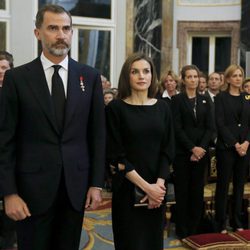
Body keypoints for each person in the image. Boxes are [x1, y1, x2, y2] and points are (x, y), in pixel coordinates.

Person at [0, 4, 105, 250]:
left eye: (66, 28)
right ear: (38, 33)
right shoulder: (17, 79)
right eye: (53, 28)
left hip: (75, 189)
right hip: (29, 192)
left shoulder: (88, 76)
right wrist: (8, 193)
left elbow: (97, 135)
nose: (61, 35)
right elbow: (5, 140)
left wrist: (96, 184)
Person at [106, 52, 175, 250]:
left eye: (146, 71)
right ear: (127, 76)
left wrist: (158, 187)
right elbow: (115, 156)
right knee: (130, 242)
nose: (141, 76)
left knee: (153, 242)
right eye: (135, 72)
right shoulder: (115, 108)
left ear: (152, 76)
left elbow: (168, 150)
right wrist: (147, 188)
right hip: (128, 190)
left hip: (157, 190)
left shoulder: (163, 108)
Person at [171, 65, 214, 238]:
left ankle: (195, 229)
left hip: (201, 155)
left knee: (197, 192)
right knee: (183, 192)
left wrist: (201, 148)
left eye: (195, 76)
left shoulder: (205, 100)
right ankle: (182, 230)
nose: (193, 80)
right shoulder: (177, 100)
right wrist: (192, 148)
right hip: (183, 154)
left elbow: (210, 127)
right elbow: (177, 127)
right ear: (183, 79)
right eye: (189, 77)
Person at [214, 65, 250, 233]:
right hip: (227, 149)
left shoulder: (248, 97)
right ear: (227, 79)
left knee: (239, 186)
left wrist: (246, 143)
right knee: (223, 186)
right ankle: (221, 223)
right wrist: (235, 144)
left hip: (245, 149)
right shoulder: (220, 98)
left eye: (240, 75)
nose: (238, 78)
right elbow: (220, 124)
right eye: (234, 75)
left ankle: (237, 222)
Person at [0, 51, 16, 249]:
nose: (1, 72)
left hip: (11, 163)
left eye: (4, 68)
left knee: (10, 217)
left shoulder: (18, 93)